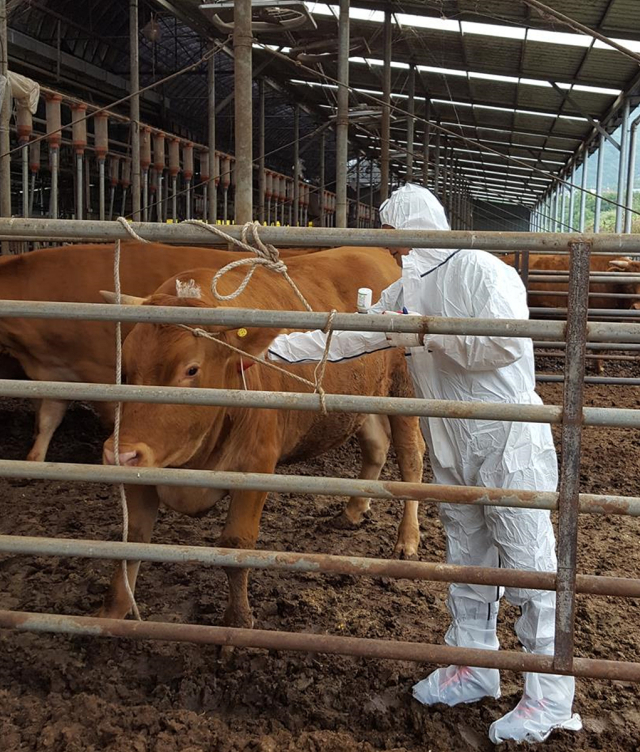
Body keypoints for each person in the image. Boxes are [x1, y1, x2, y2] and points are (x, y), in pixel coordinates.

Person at [267, 184, 582, 744]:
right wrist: (274, 348)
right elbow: (352, 337)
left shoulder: (483, 270)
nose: (392, 246)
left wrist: (427, 335)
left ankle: (550, 698)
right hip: (451, 441)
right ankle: (475, 667)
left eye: (394, 235)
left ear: (416, 226)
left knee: (531, 563)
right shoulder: (406, 285)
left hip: (505, 437)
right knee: (467, 558)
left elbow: (509, 343)